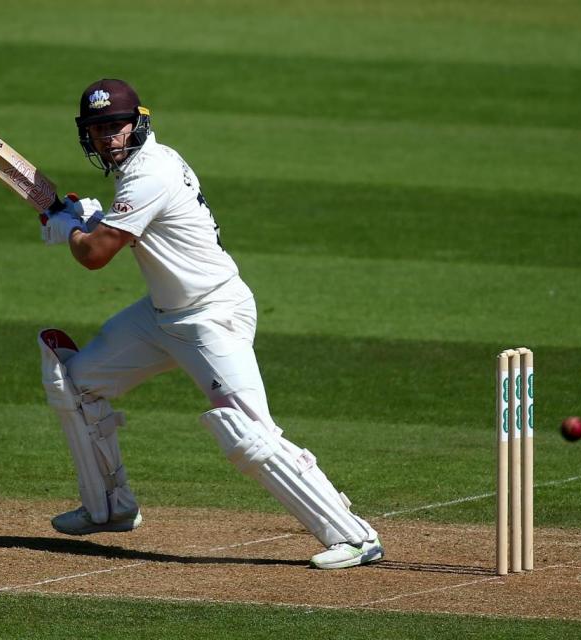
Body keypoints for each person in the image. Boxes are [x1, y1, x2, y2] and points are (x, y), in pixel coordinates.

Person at [36, 78, 383, 569]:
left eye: (116, 125)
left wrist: (71, 228)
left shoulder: (148, 172)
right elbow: (130, 231)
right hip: (162, 316)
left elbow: (94, 257)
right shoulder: (140, 166)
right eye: (97, 129)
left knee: (249, 434)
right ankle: (109, 506)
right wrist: (88, 218)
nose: (108, 137)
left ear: (138, 123)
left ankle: (354, 535)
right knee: (76, 384)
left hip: (211, 316)